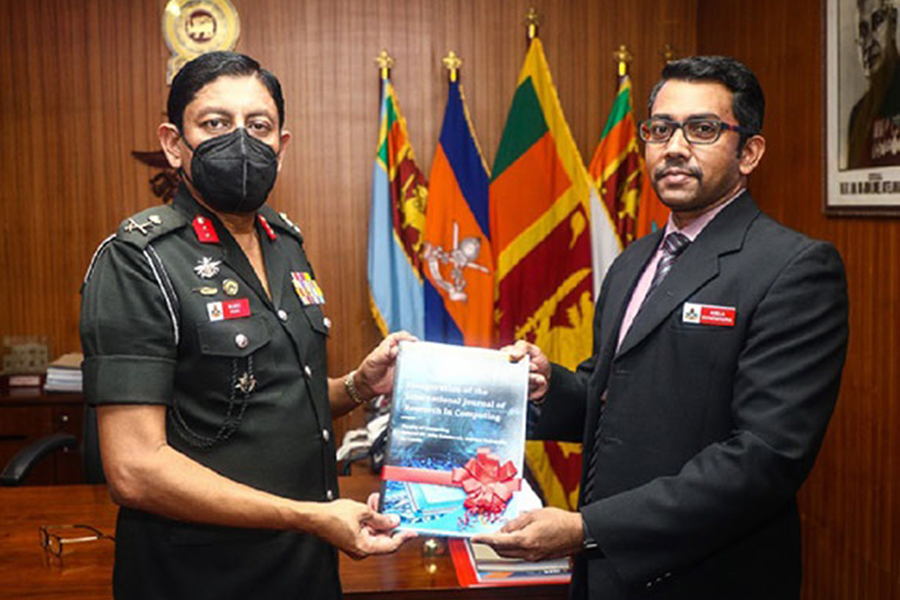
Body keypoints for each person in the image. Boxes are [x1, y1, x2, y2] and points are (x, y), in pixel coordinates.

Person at [475, 56, 849, 599]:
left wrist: (588, 529)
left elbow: (763, 459)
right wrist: (548, 385)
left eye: (702, 129)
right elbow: (614, 398)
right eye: (660, 128)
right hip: (607, 575)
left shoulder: (795, 269)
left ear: (749, 152)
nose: (675, 147)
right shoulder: (635, 261)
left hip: (706, 578)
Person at [80, 51, 415, 600]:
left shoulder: (285, 244)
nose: (240, 140)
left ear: (281, 146)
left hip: (304, 566)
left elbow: (268, 398)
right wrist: (308, 515)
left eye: (258, 126)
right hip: (200, 576)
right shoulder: (139, 261)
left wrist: (358, 385)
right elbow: (135, 469)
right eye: (214, 123)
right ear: (173, 143)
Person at [847, 0, 900, 168]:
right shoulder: (858, 116)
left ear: (893, 23)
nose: (869, 42)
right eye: (863, 31)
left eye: (877, 22)